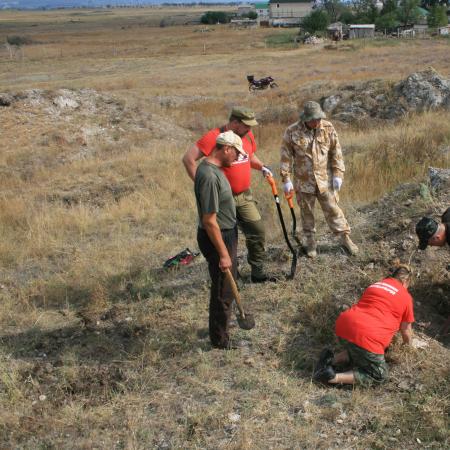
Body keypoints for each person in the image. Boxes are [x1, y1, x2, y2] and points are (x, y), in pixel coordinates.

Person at [183, 106, 274, 283]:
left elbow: (249, 156)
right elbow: (188, 159)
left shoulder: (246, 135)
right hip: (223, 200)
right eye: (246, 125)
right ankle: (233, 277)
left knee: (257, 231)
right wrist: (204, 187)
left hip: (244, 196)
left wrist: (262, 166)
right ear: (234, 122)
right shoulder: (214, 137)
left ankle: (258, 272)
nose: (250, 129)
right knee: (227, 238)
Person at [280, 101, 358, 258]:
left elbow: (336, 152)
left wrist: (338, 174)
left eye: (319, 118)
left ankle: (345, 238)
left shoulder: (327, 128)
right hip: (303, 183)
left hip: (325, 180)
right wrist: (286, 179)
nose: (317, 122)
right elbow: (285, 157)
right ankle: (311, 242)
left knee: (334, 211)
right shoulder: (292, 131)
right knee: (306, 214)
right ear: (305, 119)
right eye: (313, 119)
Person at [313, 265, 414, 386]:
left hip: (344, 325)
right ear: (406, 281)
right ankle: (331, 377)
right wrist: (408, 347)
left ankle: (330, 360)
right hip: (367, 335)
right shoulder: (405, 296)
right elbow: (406, 330)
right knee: (379, 375)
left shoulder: (376, 285)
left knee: (359, 349)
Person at [195, 130, 247, 349]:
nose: (237, 158)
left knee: (225, 285)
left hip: (226, 233)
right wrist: (224, 253)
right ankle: (220, 341)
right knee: (223, 290)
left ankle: (220, 328)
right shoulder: (208, 175)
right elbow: (209, 220)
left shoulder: (214, 170)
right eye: (236, 153)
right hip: (218, 237)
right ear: (226, 149)